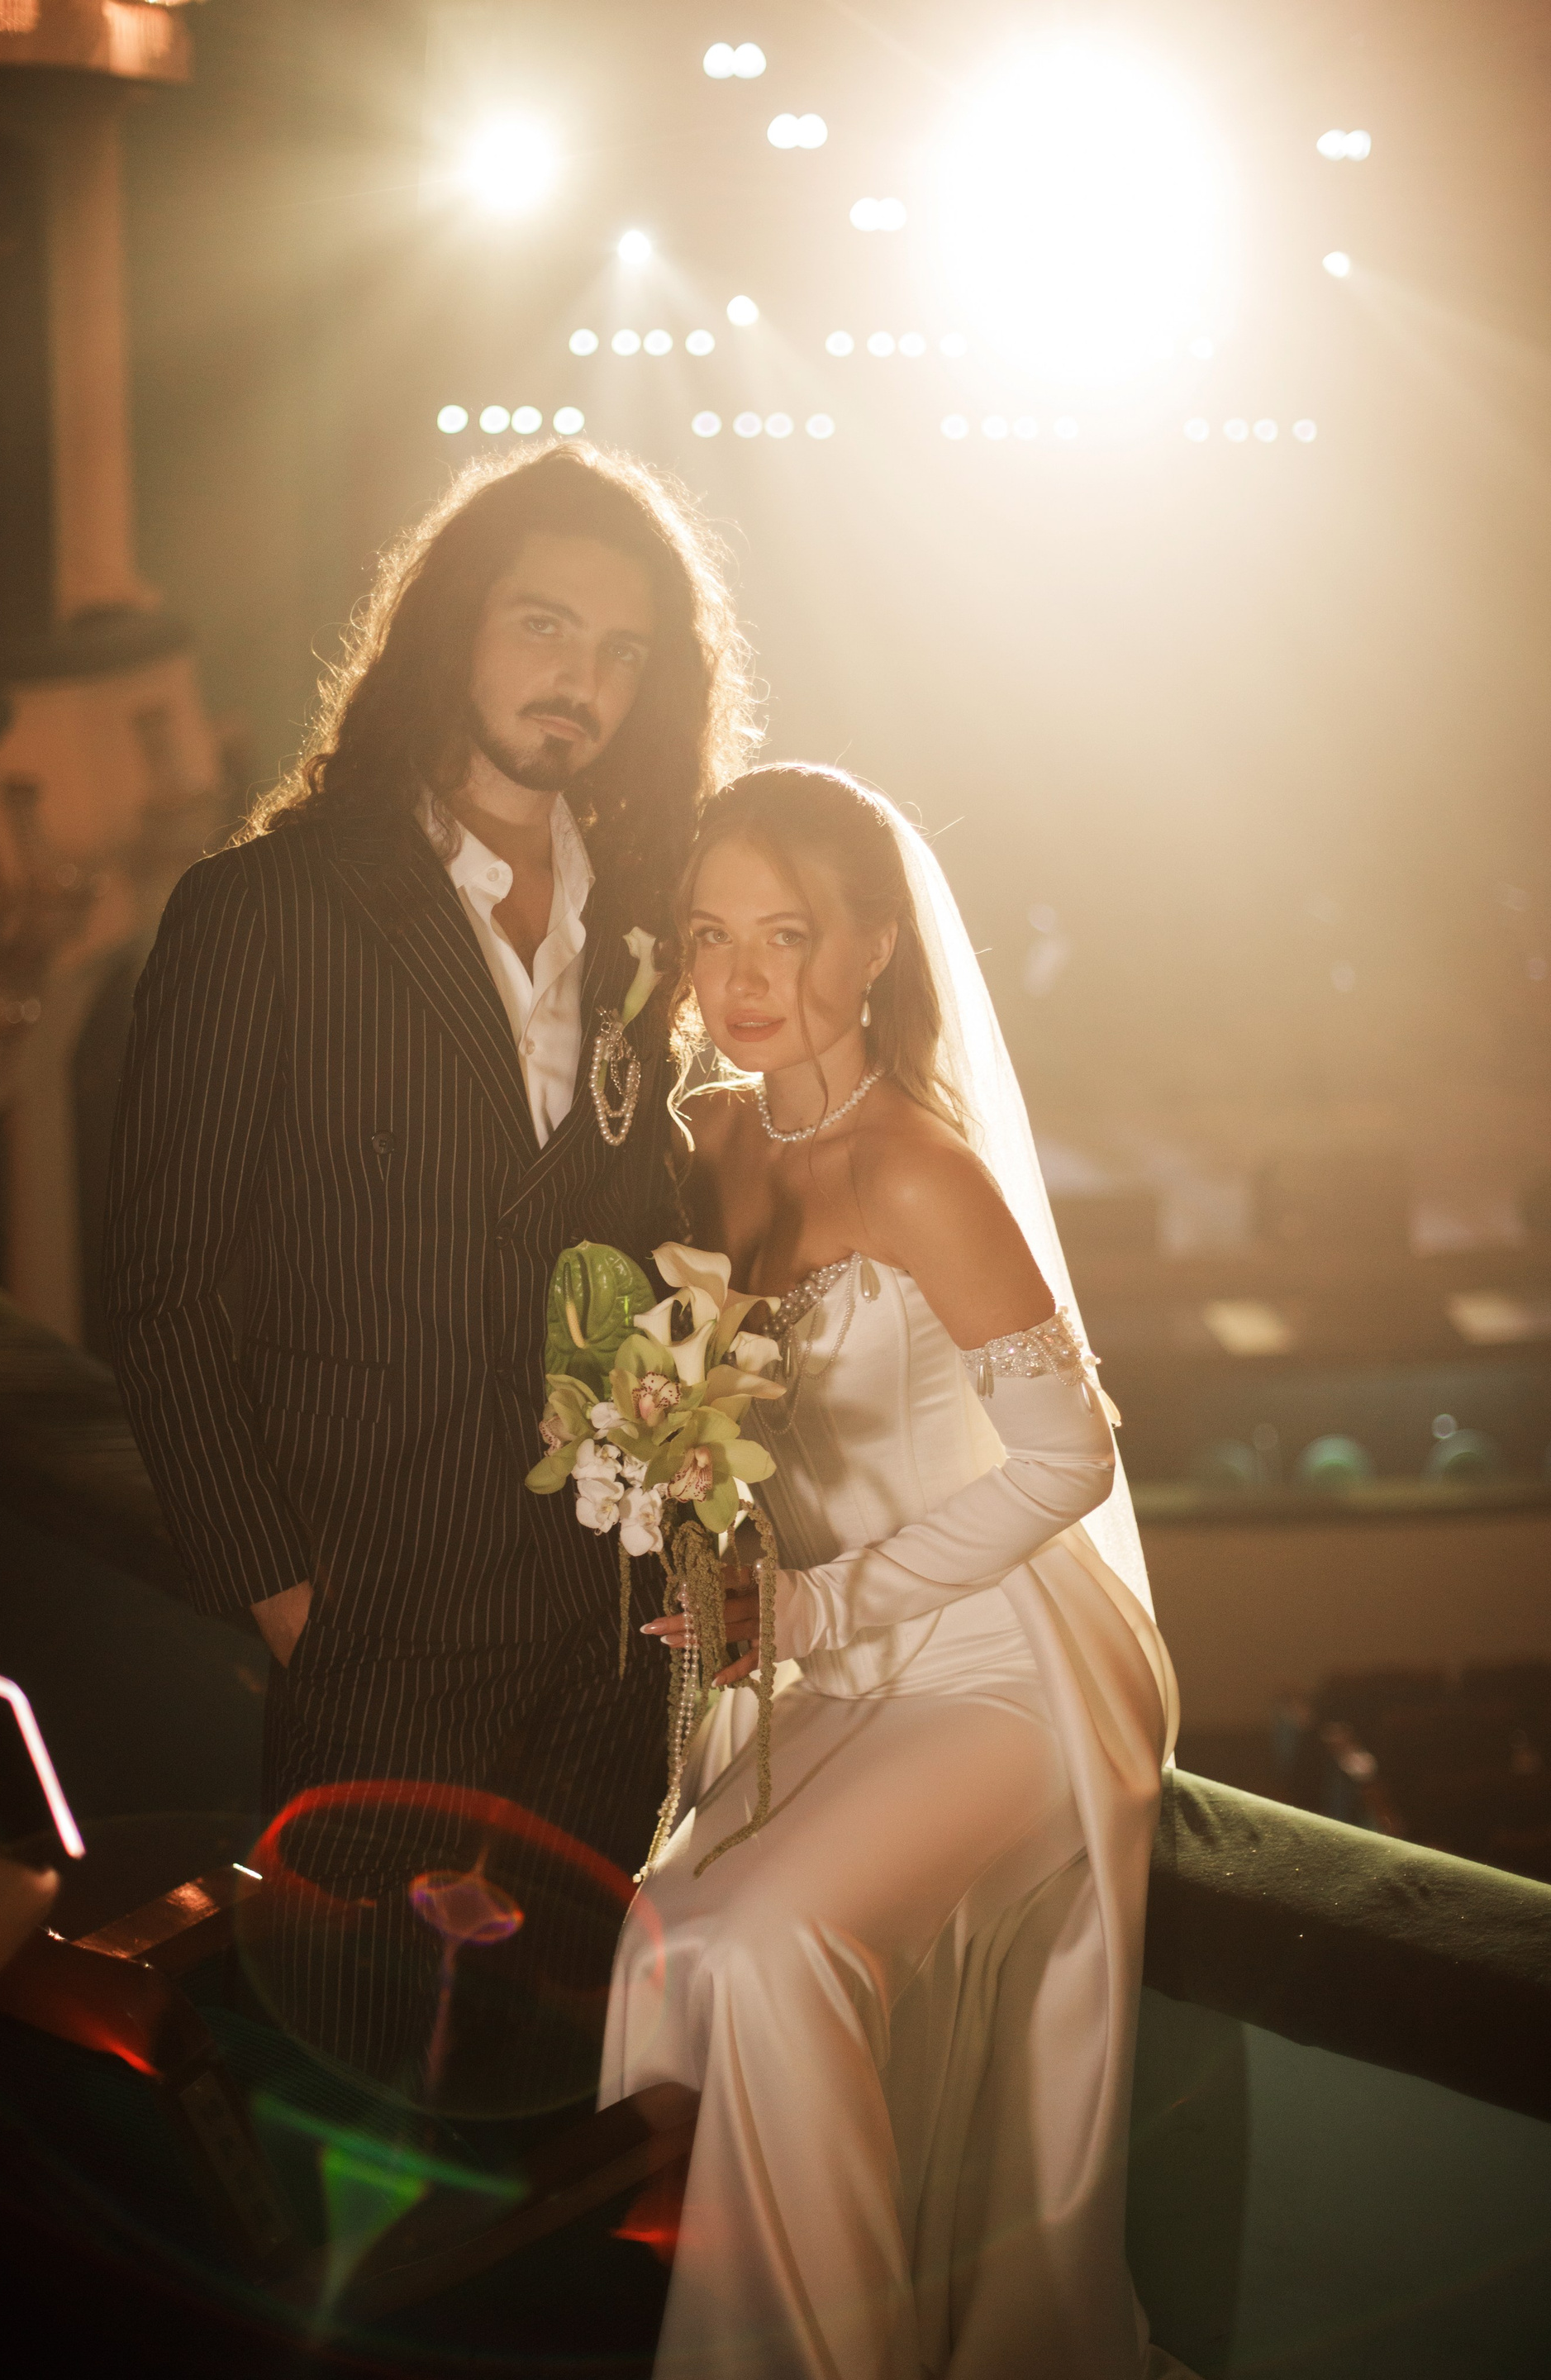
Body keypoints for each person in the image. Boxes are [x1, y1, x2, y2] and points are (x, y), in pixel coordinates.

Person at [104, 443, 753, 2087]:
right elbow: (162, 1299)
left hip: (607, 1658)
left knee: (552, 2103)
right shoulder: (264, 909)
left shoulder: (647, 926)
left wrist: (683, 1536)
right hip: (372, 1643)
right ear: (452, 623)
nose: (580, 680)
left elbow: (641, 1262)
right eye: (544, 625)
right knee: (350, 2089)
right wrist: (294, 1607)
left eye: (622, 651)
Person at [601, 766, 1184, 2378]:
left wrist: (818, 1605)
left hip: (997, 1667)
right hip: (817, 1667)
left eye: (787, 934)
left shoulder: (924, 1170)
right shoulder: (707, 1145)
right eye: (711, 934)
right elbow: (701, 1425)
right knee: (669, 1930)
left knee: (774, 1944)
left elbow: (1072, 1465)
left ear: (873, 947)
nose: (743, 979)